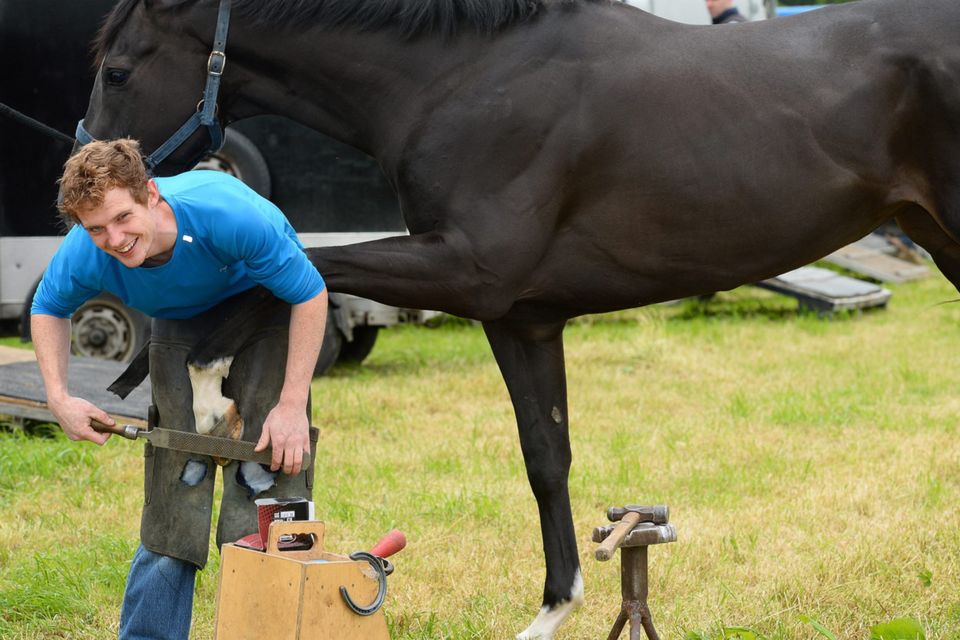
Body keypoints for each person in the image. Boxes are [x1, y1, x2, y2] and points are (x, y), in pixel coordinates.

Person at [30, 138, 328, 640]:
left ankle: (266, 628)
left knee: (267, 476)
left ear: (150, 194)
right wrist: (58, 396)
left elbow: (310, 294)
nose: (115, 238)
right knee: (176, 486)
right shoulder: (87, 250)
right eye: (97, 228)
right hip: (176, 320)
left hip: (262, 307)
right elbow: (49, 308)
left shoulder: (225, 211)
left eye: (123, 217)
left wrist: (292, 404)